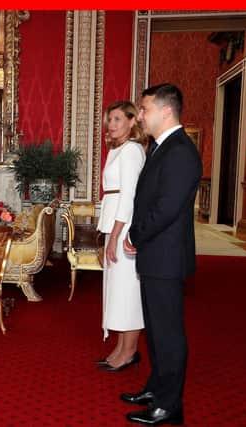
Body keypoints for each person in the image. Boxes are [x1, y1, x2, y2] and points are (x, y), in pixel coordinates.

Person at [121, 83, 202, 426]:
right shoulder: (161, 147)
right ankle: (157, 387)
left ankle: (170, 406)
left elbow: (166, 207)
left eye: (144, 109)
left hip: (166, 256)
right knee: (154, 330)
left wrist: (136, 234)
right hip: (156, 255)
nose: (140, 115)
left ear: (166, 111)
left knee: (168, 332)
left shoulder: (181, 151)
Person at [95, 101, 147, 372]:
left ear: (131, 122)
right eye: (109, 120)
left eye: (117, 119)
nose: (111, 125)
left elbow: (128, 197)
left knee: (128, 292)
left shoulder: (132, 151)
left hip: (124, 227)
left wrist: (115, 236)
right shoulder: (117, 150)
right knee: (119, 290)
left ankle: (129, 351)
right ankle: (121, 348)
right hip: (114, 224)